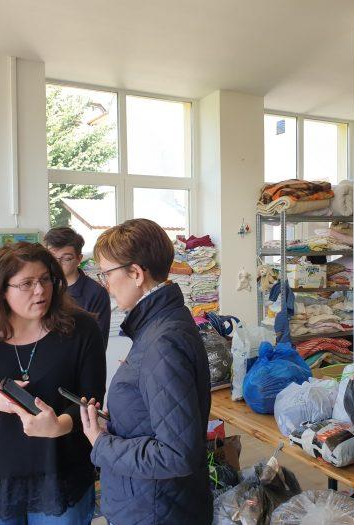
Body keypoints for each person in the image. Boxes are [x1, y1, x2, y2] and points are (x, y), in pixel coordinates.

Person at [0, 242, 106, 524]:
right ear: (1, 290)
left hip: (61, 476)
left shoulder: (80, 329)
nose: (40, 290)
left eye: (45, 279)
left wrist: (60, 425)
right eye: (26, 284)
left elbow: (92, 401)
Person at [79, 218, 213, 525]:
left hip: (154, 510)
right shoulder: (159, 325)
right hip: (153, 502)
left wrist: (101, 443)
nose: (105, 284)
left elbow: (176, 454)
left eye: (107, 273)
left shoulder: (163, 340)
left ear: (136, 274)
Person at [44, 226, 111, 349]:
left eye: (66, 258)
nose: (57, 264)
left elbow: (98, 344)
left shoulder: (96, 293)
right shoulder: (43, 288)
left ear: (79, 259)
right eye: (52, 258)